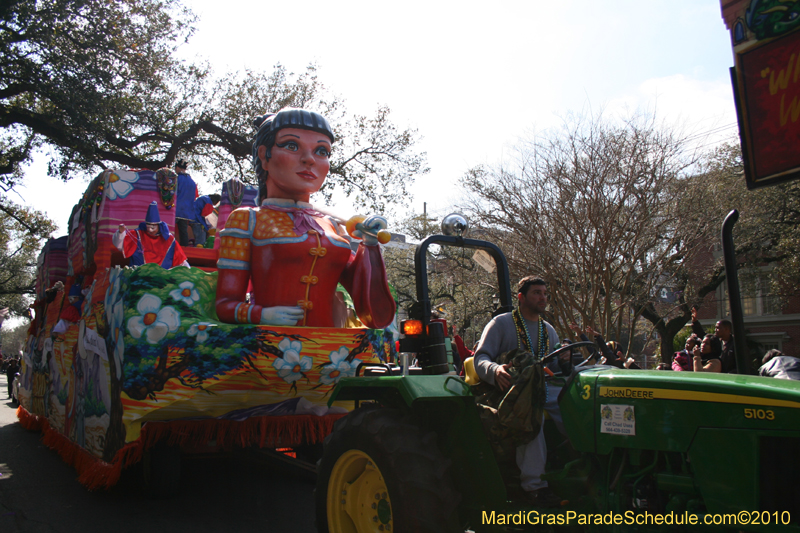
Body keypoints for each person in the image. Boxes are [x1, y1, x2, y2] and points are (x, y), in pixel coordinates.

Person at [215, 108, 395, 329]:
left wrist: (369, 246)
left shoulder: (332, 226)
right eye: (292, 146)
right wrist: (260, 315)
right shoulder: (245, 221)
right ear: (264, 155)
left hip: (331, 350)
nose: (309, 159)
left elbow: (369, 305)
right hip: (269, 348)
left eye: (321, 150)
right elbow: (225, 305)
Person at [473, 276, 567, 508]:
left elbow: (554, 369)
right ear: (521, 297)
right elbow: (481, 357)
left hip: (544, 386)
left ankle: (579, 465)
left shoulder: (549, 330)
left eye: (545, 293)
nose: (543, 298)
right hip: (511, 391)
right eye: (537, 293)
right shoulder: (501, 324)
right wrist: (494, 371)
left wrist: (565, 359)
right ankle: (534, 488)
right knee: (531, 415)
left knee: (575, 403)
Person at [113, 201, 188, 268]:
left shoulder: (169, 240)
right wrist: (121, 233)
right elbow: (120, 246)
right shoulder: (137, 235)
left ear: (158, 225)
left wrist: (190, 274)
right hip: (138, 278)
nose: (150, 230)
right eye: (148, 227)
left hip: (161, 280)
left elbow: (181, 261)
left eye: (152, 227)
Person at [691, 306, 736, 373]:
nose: (715, 330)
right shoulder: (716, 340)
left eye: (718, 328)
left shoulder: (736, 345)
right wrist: (695, 322)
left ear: (727, 329)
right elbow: (704, 336)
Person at [174, 159, 199, 246]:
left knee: (169, 228)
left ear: (177, 167)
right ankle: (184, 250)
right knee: (183, 232)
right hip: (186, 211)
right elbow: (195, 196)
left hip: (175, 208)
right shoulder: (192, 182)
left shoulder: (176, 179)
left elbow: (172, 193)